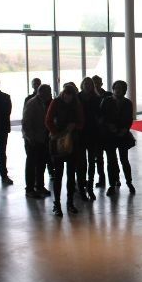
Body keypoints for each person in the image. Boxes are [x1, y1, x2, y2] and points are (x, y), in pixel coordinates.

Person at [46, 84, 84, 216]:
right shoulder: (56, 102)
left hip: (73, 141)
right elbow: (48, 120)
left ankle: (70, 202)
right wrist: (57, 133)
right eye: (66, 95)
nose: (67, 98)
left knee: (71, 174)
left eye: (70, 96)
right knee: (58, 174)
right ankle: (57, 203)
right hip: (57, 141)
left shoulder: (76, 104)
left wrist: (74, 127)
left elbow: (81, 122)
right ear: (63, 93)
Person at [100, 80, 135, 196]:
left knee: (124, 160)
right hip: (109, 135)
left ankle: (129, 182)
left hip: (122, 135)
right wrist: (109, 126)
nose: (118, 90)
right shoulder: (107, 100)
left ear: (124, 90)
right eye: (116, 88)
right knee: (111, 161)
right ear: (113, 89)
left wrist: (125, 129)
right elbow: (102, 116)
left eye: (121, 88)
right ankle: (112, 184)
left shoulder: (128, 103)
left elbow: (129, 119)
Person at [22, 84, 52, 199]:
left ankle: (39, 186)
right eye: (48, 92)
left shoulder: (43, 102)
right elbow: (26, 123)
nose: (50, 94)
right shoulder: (32, 103)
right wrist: (30, 138)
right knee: (31, 164)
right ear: (41, 92)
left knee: (41, 163)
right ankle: (29, 189)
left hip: (42, 138)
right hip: (33, 139)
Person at [77, 77, 101, 200]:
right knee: (81, 163)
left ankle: (90, 188)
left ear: (92, 86)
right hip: (80, 133)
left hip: (92, 133)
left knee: (92, 162)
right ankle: (81, 188)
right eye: (85, 84)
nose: (87, 86)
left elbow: (100, 115)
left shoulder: (96, 98)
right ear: (82, 85)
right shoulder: (77, 97)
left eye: (89, 84)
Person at [92, 75, 111, 188]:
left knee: (111, 157)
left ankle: (115, 178)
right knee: (99, 158)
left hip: (107, 131)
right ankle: (101, 178)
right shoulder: (91, 97)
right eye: (94, 83)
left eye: (97, 83)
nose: (96, 85)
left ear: (101, 84)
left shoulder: (108, 95)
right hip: (96, 132)